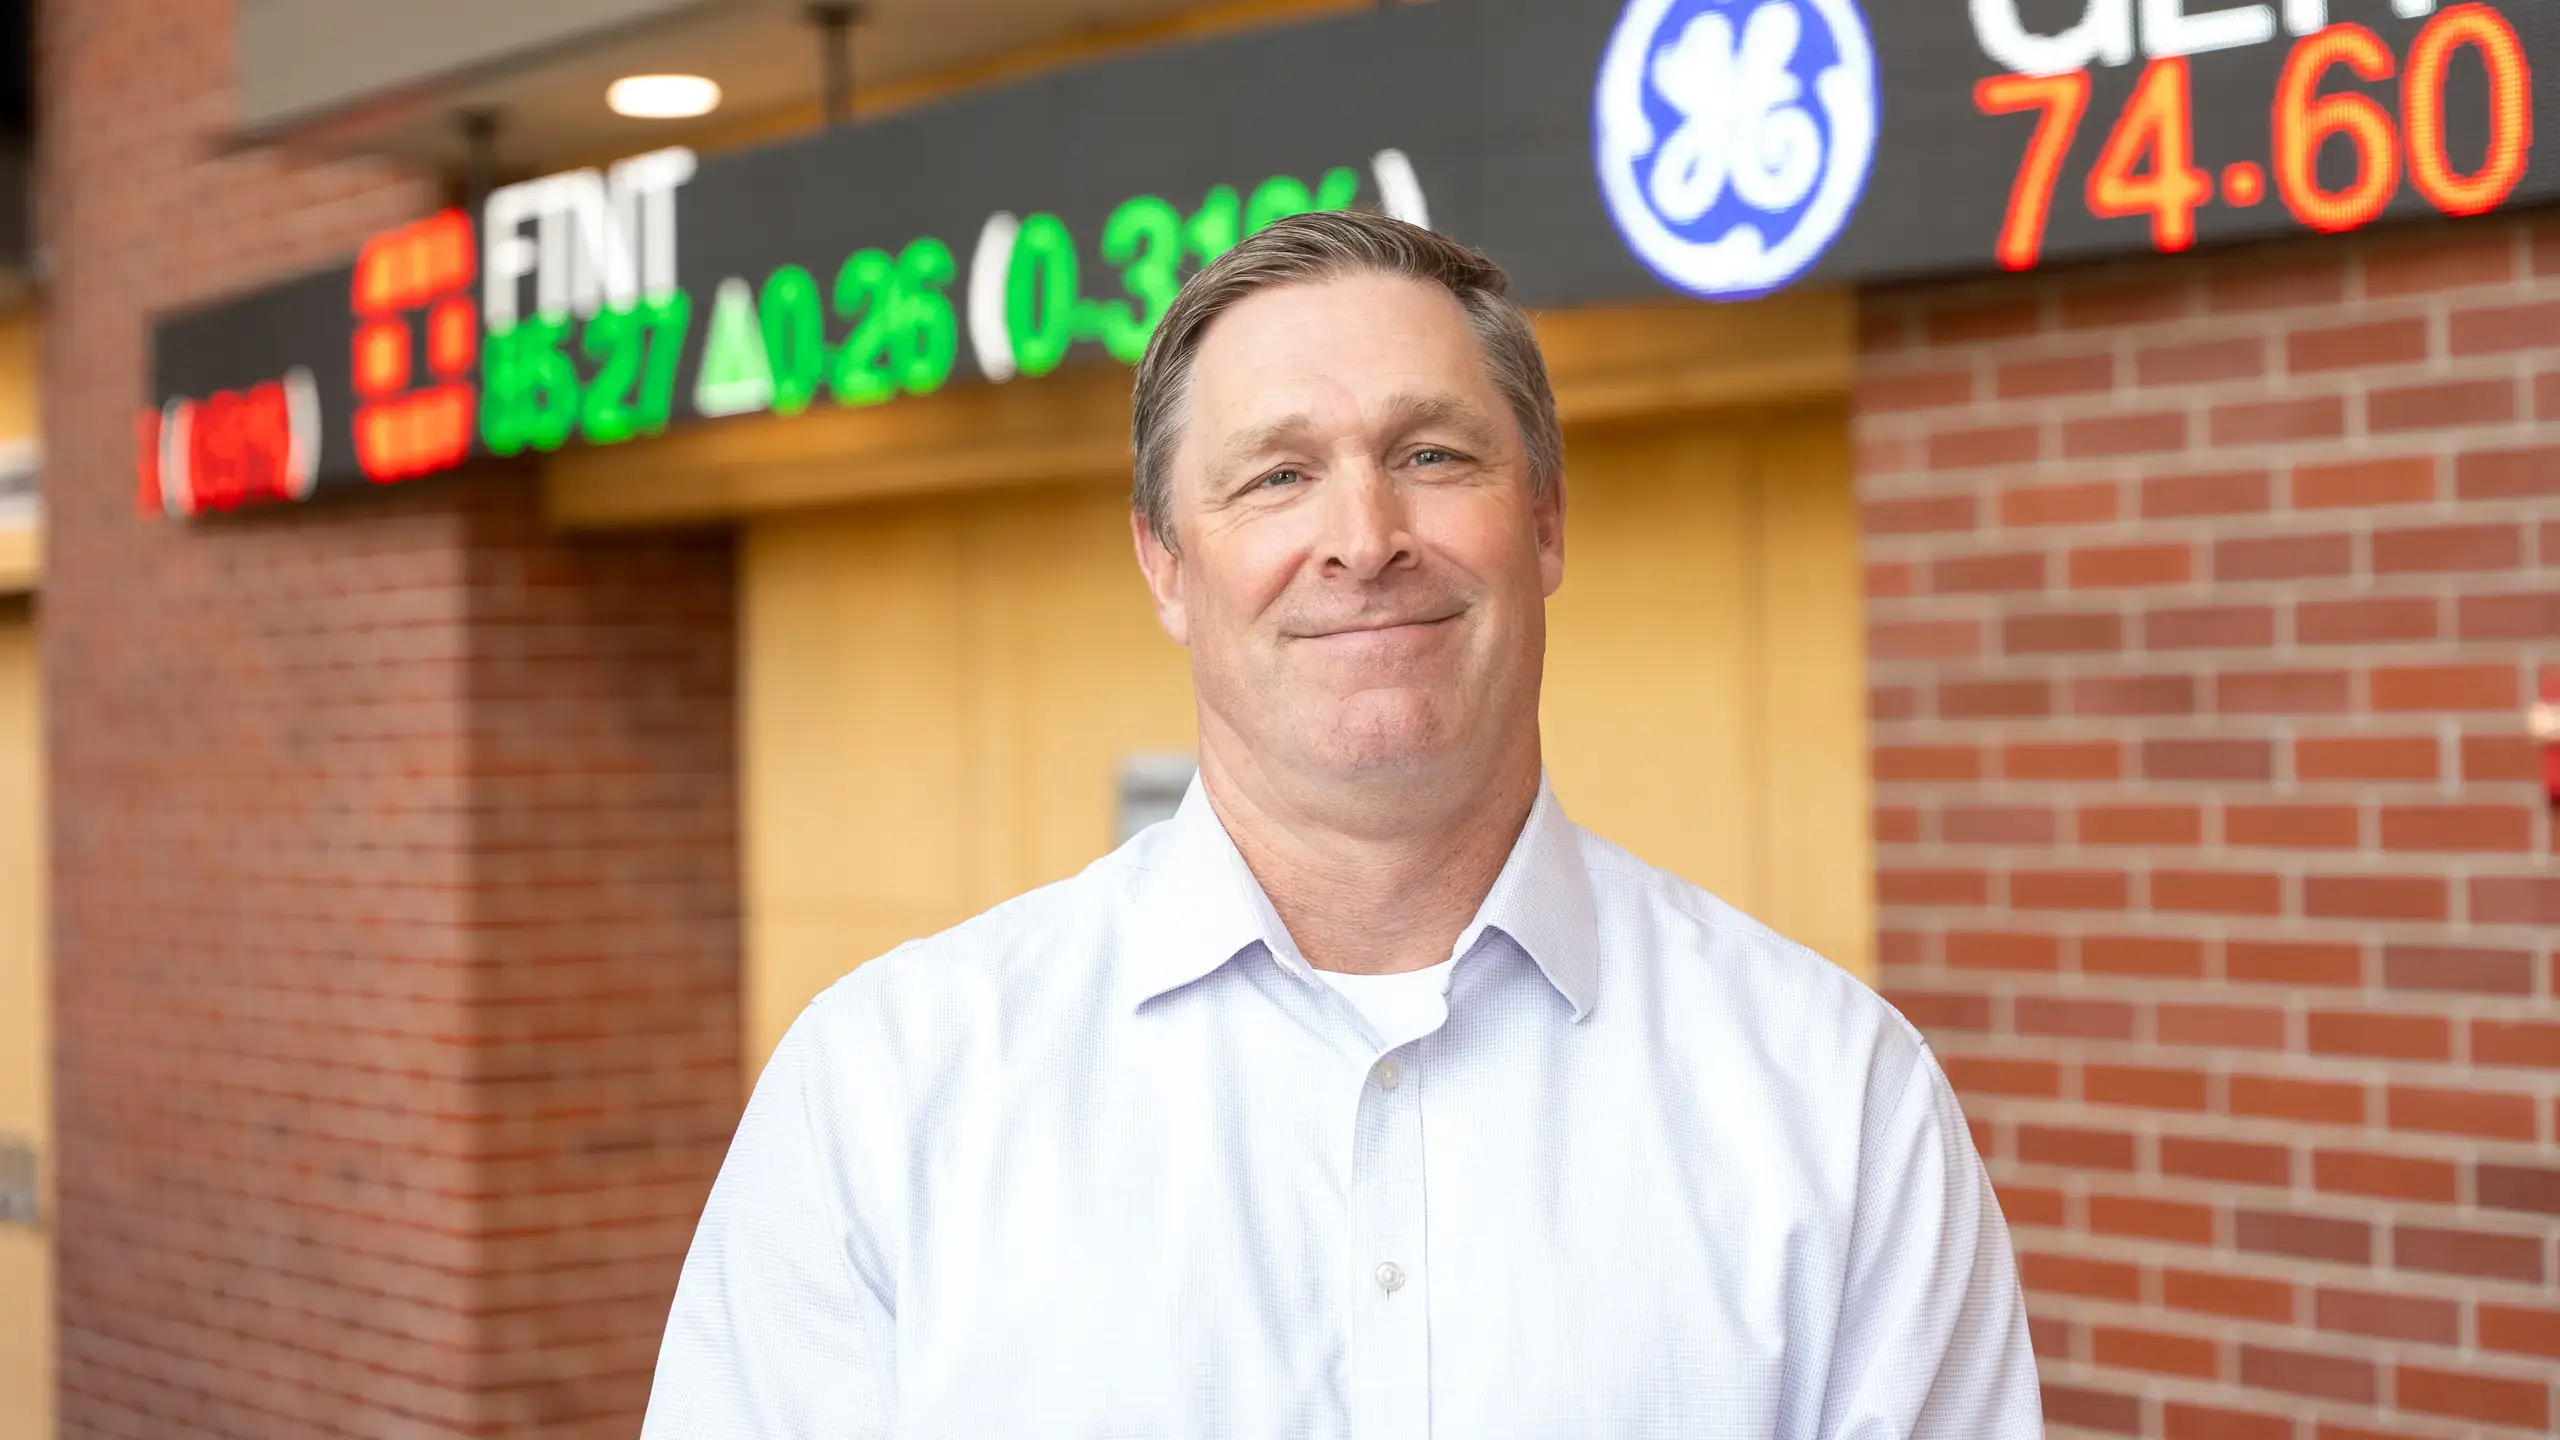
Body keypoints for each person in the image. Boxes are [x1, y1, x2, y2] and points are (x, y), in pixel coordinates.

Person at [641, 211, 2043, 1438]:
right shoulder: (887, 1098)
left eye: (1431, 454)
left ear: (1546, 521)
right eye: (1274, 475)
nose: (1365, 535)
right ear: (1167, 566)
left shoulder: (1837, 1099)